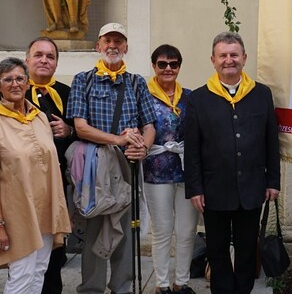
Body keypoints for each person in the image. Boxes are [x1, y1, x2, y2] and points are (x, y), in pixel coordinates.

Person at [184, 31, 281, 294]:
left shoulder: (261, 94)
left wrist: (273, 180)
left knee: (247, 248)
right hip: (214, 189)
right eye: (223, 55)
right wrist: (195, 188)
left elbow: (271, 140)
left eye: (234, 55)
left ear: (244, 58)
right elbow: (192, 149)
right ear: (213, 60)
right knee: (217, 250)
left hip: (252, 187)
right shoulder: (198, 99)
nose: (229, 60)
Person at [66, 22, 156, 294]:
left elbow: (149, 126)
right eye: (108, 40)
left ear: (126, 47)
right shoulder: (83, 80)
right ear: (98, 45)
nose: (113, 46)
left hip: (127, 162)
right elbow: (80, 127)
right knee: (95, 223)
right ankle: (91, 289)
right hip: (95, 164)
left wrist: (143, 148)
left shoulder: (136, 82)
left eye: (118, 41)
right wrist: (119, 139)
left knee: (125, 229)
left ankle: (122, 287)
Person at [0, 57, 71, 294]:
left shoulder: (39, 117)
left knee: (39, 270)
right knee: (21, 275)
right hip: (15, 213)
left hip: (45, 210)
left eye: (20, 78)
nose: (15, 84)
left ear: (28, 83)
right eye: (7, 79)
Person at [144, 44, 198, 294]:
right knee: (163, 229)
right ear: (154, 66)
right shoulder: (144, 96)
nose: (168, 68)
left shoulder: (190, 97)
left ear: (179, 67)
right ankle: (162, 284)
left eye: (173, 64)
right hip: (156, 171)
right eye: (162, 64)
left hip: (186, 170)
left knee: (187, 230)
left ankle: (182, 282)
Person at [25, 37, 75, 294]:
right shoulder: (13, 89)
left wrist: (68, 130)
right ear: (27, 60)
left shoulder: (67, 92)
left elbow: (81, 129)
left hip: (56, 181)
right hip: (23, 183)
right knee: (24, 250)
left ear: (56, 63)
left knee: (54, 247)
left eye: (50, 56)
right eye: (38, 55)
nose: (44, 60)